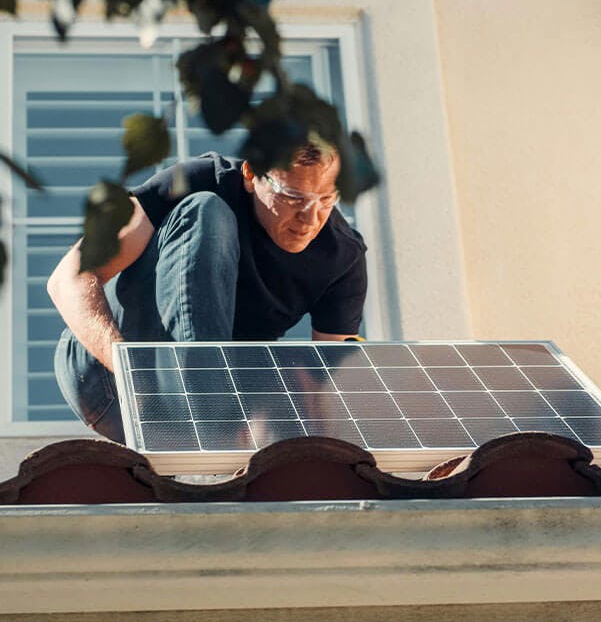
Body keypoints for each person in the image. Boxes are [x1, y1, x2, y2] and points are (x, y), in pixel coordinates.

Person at [48, 145, 367, 444]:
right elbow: (67, 278)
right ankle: (207, 420)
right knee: (206, 209)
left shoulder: (342, 255)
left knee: (297, 369)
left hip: (212, 409)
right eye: (293, 198)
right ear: (250, 176)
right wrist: (128, 370)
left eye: (325, 200)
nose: (309, 220)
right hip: (110, 383)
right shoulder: (200, 179)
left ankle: (214, 431)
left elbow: (326, 377)